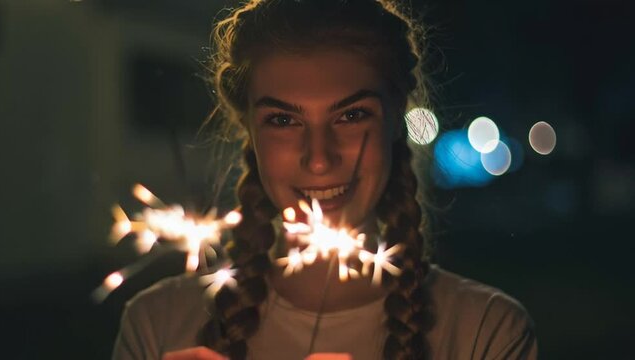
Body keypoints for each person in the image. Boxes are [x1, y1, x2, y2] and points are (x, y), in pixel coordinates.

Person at [112, 0, 537, 359]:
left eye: (351, 115)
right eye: (283, 120)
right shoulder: (157, 326)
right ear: (251, 130)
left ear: (394, 119)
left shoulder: (486, 331)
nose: (319, 159)